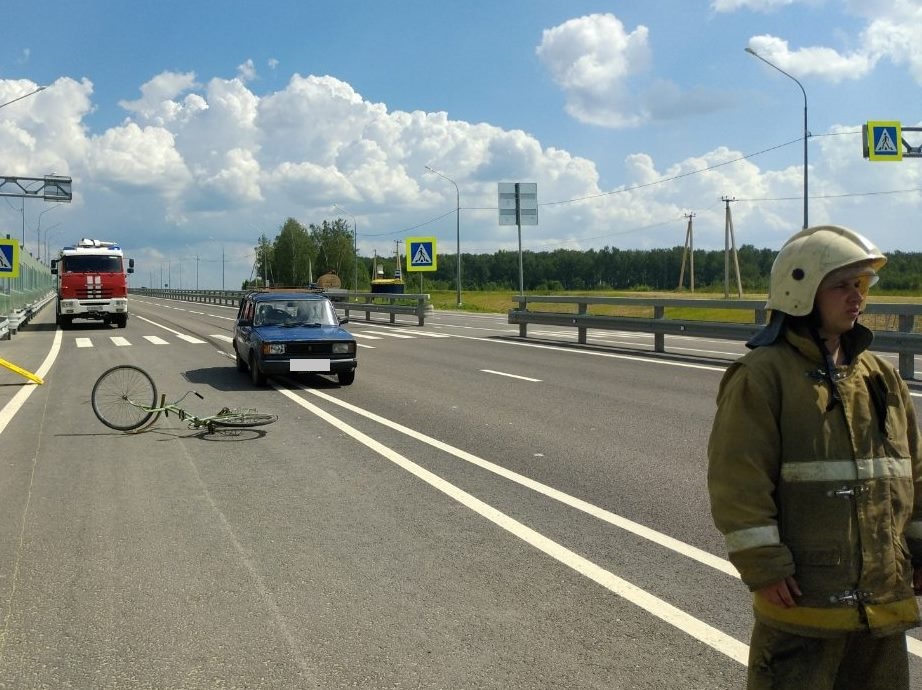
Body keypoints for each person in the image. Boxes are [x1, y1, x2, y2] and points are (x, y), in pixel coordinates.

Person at [707, 224, 922, 689]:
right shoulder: (762, 376)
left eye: (862, 284)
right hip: (803, 610)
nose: (857, 296)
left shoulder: (880, 377)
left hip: (881, 606)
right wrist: (763, 564)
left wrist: (919, 550)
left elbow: (913, 473)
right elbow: (737, 480)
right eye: (843, 284)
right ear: (801, 290)